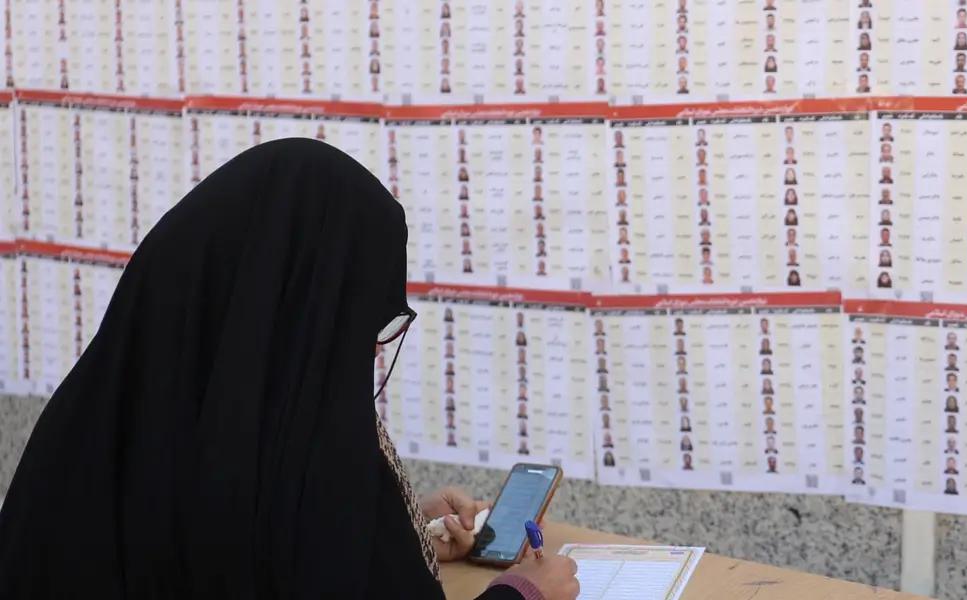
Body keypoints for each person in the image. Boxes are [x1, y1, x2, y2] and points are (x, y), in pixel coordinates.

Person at [0, 140, 580, 599]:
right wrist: (525, 593)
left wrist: (397, 534)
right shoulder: (295, 468)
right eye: (354, 326)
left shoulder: (88, 431)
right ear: (303, 318)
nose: (366, 353)